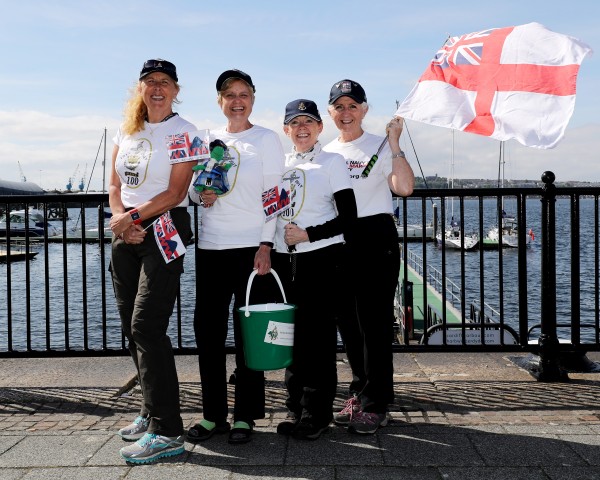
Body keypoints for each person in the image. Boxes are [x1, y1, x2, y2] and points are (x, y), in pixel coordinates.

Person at [186, 69, 285, 445]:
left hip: (251, 250)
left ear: (253, 99)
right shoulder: (207, 139)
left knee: (249, 337)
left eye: (244, 94)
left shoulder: (267, 139)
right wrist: (202, 196)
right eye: (230, 95)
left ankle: (245, 416)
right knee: (207, 334)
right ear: (220, 101)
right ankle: (213, 416)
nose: (237, 101)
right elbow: (195, 192)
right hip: (211, 247)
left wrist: (266, 245)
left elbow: (275, 195)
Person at [108, 58, 196, 463]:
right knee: (131, 325)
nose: (157, 88)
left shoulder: (184, 132)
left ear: (176, 89)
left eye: (165, 82)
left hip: (163, 229)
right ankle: (148, 409)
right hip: (127, 233)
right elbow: (114, 183)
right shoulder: (126, 130)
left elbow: (177, 192)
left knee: (148, 324)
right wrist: (121, 222)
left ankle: (168, 430)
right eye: (149, 82)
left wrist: (132, 218)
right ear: (139, 88)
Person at [323, 79, 415, 435]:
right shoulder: (327, 151)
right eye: (339, 106)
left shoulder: (379, 145)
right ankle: (359, 393)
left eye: (353, 105)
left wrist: (394, 144)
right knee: (349, 325)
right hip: (339, 240)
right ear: (330, 111)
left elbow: (404, 188)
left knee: (375, 325)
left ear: (364, 109)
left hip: (375, 238)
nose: (346, 113)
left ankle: (377, 403)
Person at [271, 99, 357, 440]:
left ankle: (316, 413)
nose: (302, 127)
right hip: (283, 260)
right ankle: (295, 408)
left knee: (318, 340)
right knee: (291, 338)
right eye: (295, 123)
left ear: (320, 127)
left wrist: (309, 234)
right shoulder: (279, 164)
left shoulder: (332, 162)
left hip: (321, 258)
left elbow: (349, 218)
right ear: (286, 130)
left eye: (309, 121)